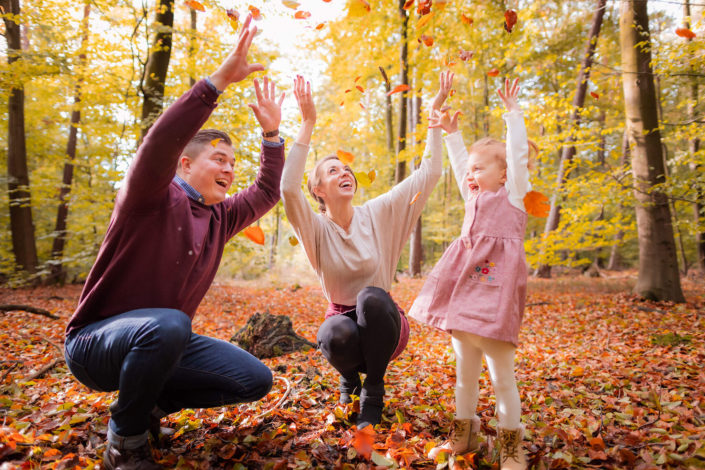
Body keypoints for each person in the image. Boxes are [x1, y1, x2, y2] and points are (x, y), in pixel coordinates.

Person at [63, 15, 286, 470]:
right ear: (184, 164)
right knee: (168, 324)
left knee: (254, 379)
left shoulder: (221, 217)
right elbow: (158, 144)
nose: (229, 169)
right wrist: (218, 81)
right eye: (218, 159)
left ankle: (145, 410)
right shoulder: (150, 195)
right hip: (94, 345)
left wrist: (272, 136)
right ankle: (124, 444)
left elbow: (266, 191)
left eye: (233, 163)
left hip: (163, 340)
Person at [280, 74, 446, 429]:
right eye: (333, 170)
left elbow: (431, 172)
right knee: (332, 332)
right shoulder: (315, 229)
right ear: (319, 190)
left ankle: (373, 388)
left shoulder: (379, 213)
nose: (345, 172)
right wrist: (307, 124)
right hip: (344, 327)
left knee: (371, 296)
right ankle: (348, 377)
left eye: (346, 168)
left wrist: (433, 117)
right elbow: (288, 188)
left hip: (384, 322)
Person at [409, 77, 532, 470]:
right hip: (464, 297)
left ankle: (511, 446)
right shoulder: (475, 198)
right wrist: (453, 135)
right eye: (472, 170)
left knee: (502, 379)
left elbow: (517, 154)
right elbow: (463, 166)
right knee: (464, 374)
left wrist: (514, 114)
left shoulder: (514, 196)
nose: (472, 175)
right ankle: (463, 433)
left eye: (482, 169)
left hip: (495, 302)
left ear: (504, 173)